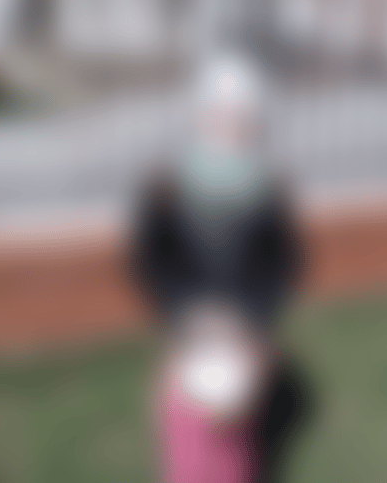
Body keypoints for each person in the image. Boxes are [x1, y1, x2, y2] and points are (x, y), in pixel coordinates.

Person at [127, 50, 308, 483]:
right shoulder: (166, 184)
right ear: (200, 115)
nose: (229, 125)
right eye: (219, 113)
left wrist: (246, 319)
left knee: (234, 430)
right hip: (187, 326)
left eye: (241, 116)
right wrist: (188, 312)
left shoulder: (270, 189)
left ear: (256, 123)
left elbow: (280, 266)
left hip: (243, 330)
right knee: (183, 421)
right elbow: (153, 260)